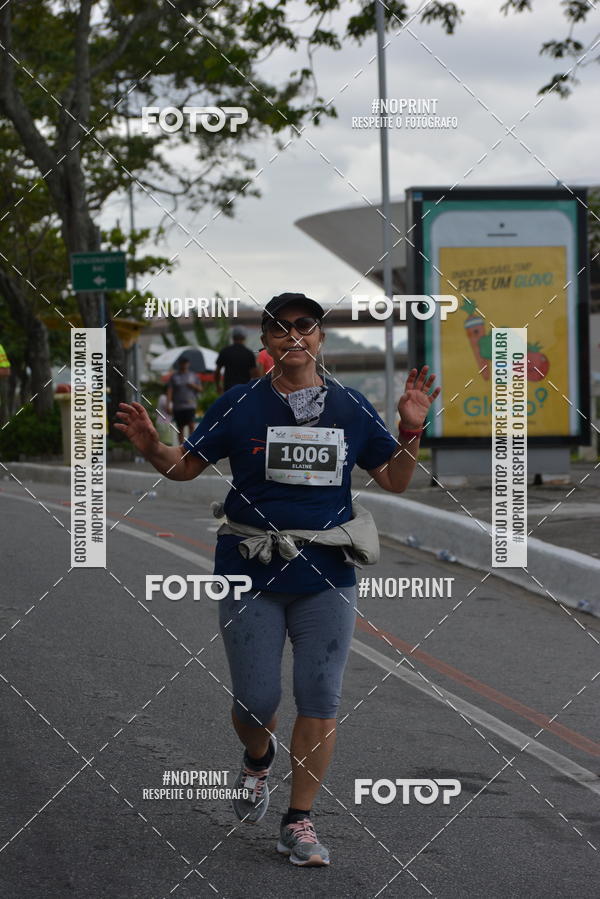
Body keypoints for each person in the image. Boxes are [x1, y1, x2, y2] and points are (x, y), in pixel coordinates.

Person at [115, 291, 440, 868]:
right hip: (249, 571)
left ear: (320, 336)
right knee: (255, 701)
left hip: (327, 574)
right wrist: (150, 446)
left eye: (304, 325)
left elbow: (394, 479)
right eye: (280, 328)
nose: (294, 335)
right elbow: (184, 466)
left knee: (320, 696)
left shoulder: (350, 406)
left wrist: (410, 431)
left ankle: (299, 820)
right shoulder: (238, 403)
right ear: (265, 341)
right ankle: (258, 758)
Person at [166, 357, 202, 444]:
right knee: (180, 428)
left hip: (190, 405)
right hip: (178, 406)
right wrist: (168, 405)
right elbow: (170, 390)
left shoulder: (193, 375)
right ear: (179, 364)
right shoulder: (174, 376)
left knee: (191, 425)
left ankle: (191, 445)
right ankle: (181, 447)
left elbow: (200, 389)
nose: (184, 365)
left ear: (188, 364)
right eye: (182, 363)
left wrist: (193, 386)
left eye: (186, 363)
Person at [214, 325, 258, 393]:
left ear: (233, 337)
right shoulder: (249, 353)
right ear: (244, 337)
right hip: (244, 390)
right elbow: (254, 375)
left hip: (228, 390)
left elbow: (217, 372)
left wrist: (218, 386)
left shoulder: (225, 351)